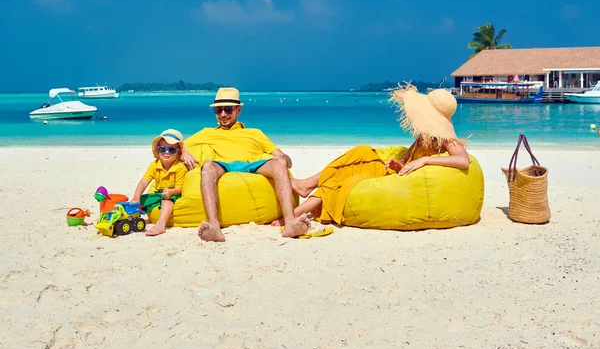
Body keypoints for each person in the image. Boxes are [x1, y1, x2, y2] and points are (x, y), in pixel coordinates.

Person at [287, 85, 470, 224]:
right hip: (395, 173)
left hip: (400, 182)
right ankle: (303, 195)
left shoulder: (446, 139)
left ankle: (301, 200)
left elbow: (463, 160)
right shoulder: (423, 136)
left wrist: (424, 160)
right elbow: (406, 160)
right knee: (359, 154)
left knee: (350, 170)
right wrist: (399, 164)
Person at [182, 87, 311, 242]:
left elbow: (282, 157)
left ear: (238, 110)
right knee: (208, 166)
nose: (223, 115)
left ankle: (289, 222)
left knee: (279, 164)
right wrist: (185, 153)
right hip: (225, 166)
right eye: (218, 110)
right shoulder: (207, 132)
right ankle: (214, 226)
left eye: (228, 110)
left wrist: (284, 160)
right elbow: (180, 145)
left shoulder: (255, 133)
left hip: (254, 166)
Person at [131, 129, 187, 237]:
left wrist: (171, 192)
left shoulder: (180, 167)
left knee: (167, 201)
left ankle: (161, 224)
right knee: (139, 202)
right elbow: (144, 182)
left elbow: (180, 188)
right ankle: (130, 218)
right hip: (158, 193)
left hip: (173, 194)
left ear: (178, 152)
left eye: (171, 150)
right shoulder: (155, 165)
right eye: (162, 149)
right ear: (157, 151)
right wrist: (136, 197)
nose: (166, 152)